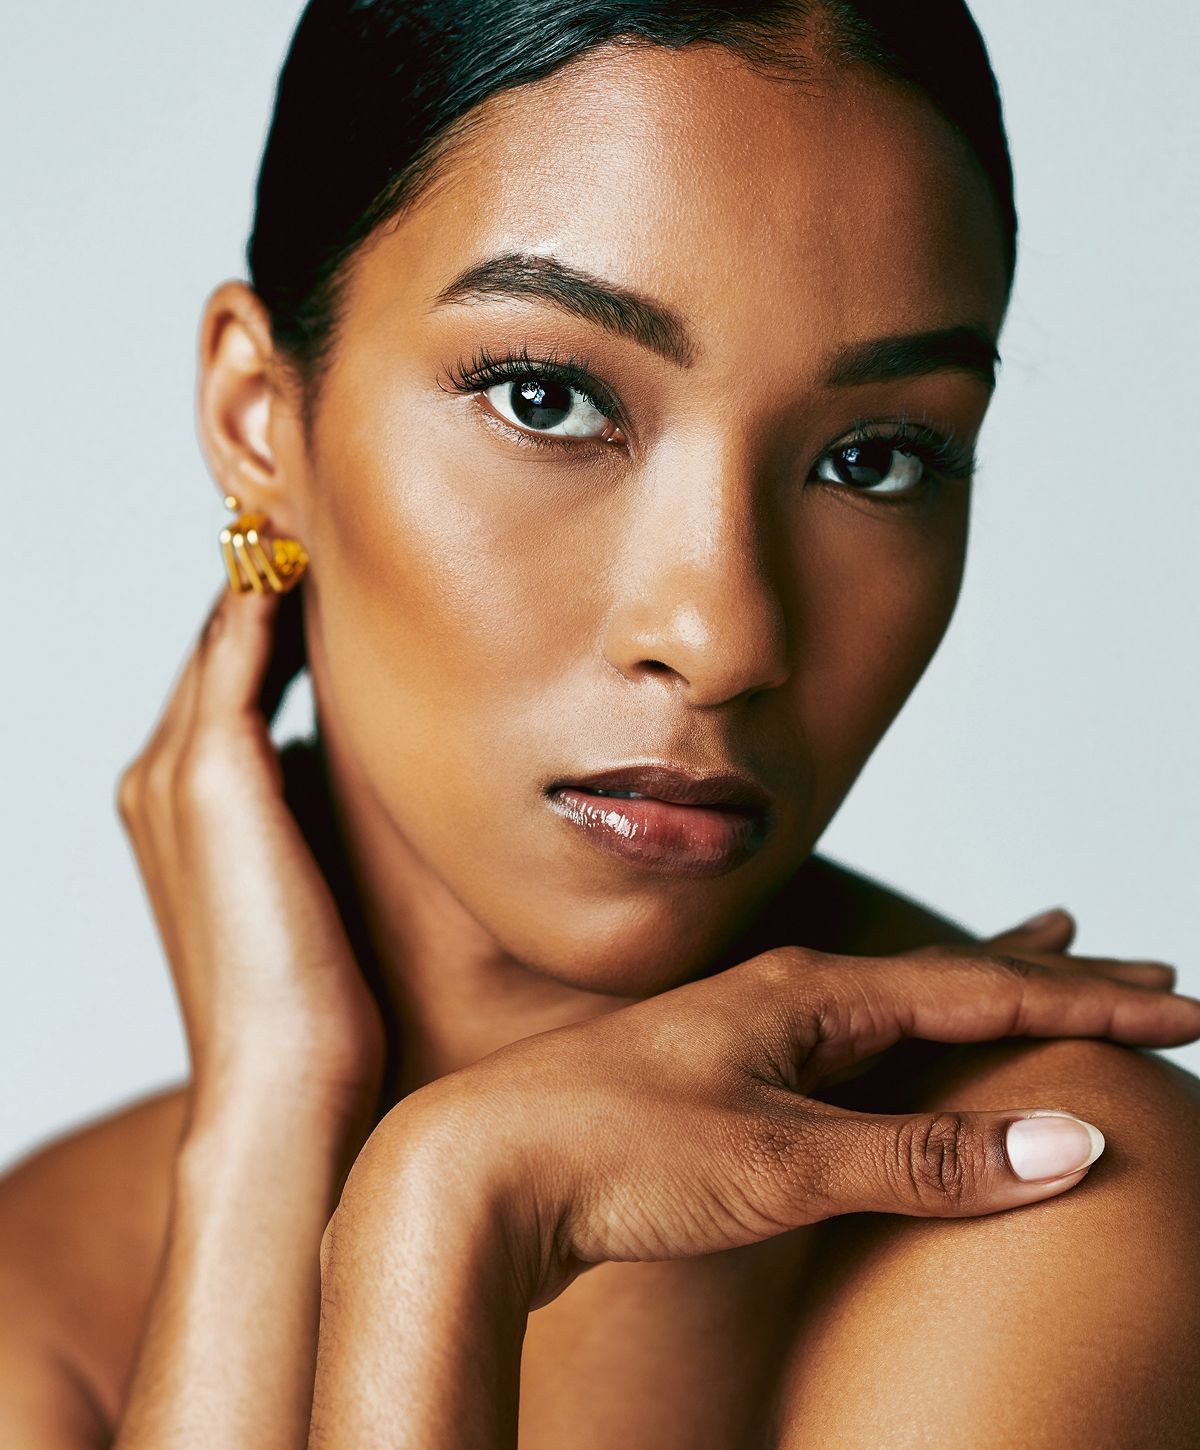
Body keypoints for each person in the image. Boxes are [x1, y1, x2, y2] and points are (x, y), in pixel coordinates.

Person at [2, 2, 1199, 1445]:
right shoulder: (38, 1291)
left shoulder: (1048, 1198)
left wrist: (444, 1211)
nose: (722, 636)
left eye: (874, 456)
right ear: (264, 418)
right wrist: (269, 1139)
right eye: (547, 396)